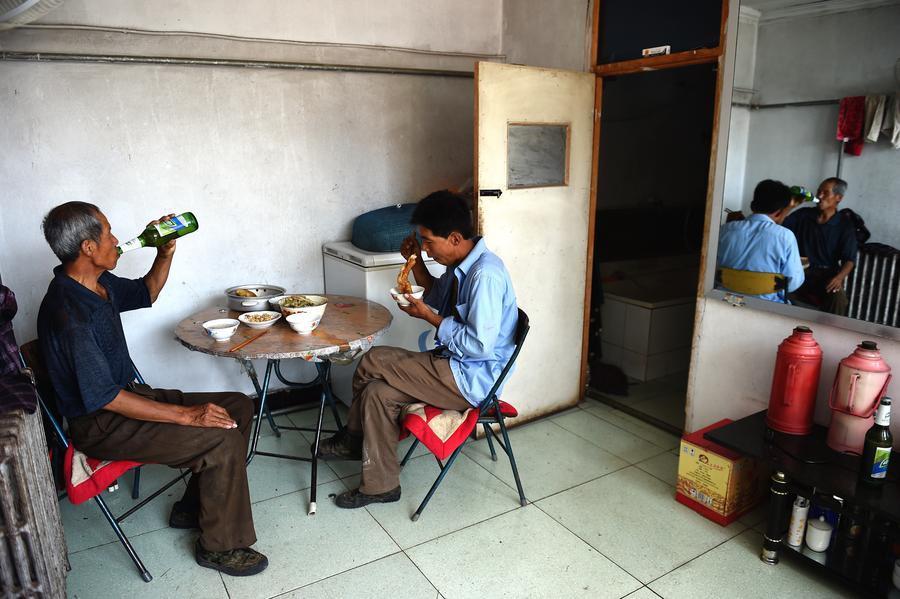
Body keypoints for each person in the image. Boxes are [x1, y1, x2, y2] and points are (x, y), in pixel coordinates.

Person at [36, 202, 267, 577]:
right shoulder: (68, 314)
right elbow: (105, 397)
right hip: (101, 422)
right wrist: (189, 415)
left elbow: (148, 292)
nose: (116, 240)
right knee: (220, 438)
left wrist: (165, 251)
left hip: (132, 397)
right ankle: (220, 547)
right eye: (108, 233)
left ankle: (195, 508)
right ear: (88, 248)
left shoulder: (97, 283)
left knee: (238, 406)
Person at [315, 190, 518, 508]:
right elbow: (440, 296)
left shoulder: (485, 276)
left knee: (374, 358)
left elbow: (479, 346)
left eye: (428, 241)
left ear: (453, 237)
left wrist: (430, 317)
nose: (425, 247)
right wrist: (419, 265)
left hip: (470, 380)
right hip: (453, 365)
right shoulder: (463, 263)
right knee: (376, 394)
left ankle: (352, 440)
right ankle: (381, 486)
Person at [717, 179, 805, 302]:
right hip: (766, 307)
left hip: (727, 301)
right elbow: (793, 283)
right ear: (779, 212)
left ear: (752, 205)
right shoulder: (785, 237)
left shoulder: (725, 230)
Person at [784, 177, 858, 315]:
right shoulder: (804, 215)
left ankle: (831, 332)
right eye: (819, 191)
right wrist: (792, 205)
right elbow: (779, 224)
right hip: (799, 271)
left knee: (838, 299)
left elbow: (850, 259)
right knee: (779, 291)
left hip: (826, 276)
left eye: (825, 192)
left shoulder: (844, 225)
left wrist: (839, 278)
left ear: (838, 198)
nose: (819, 196)